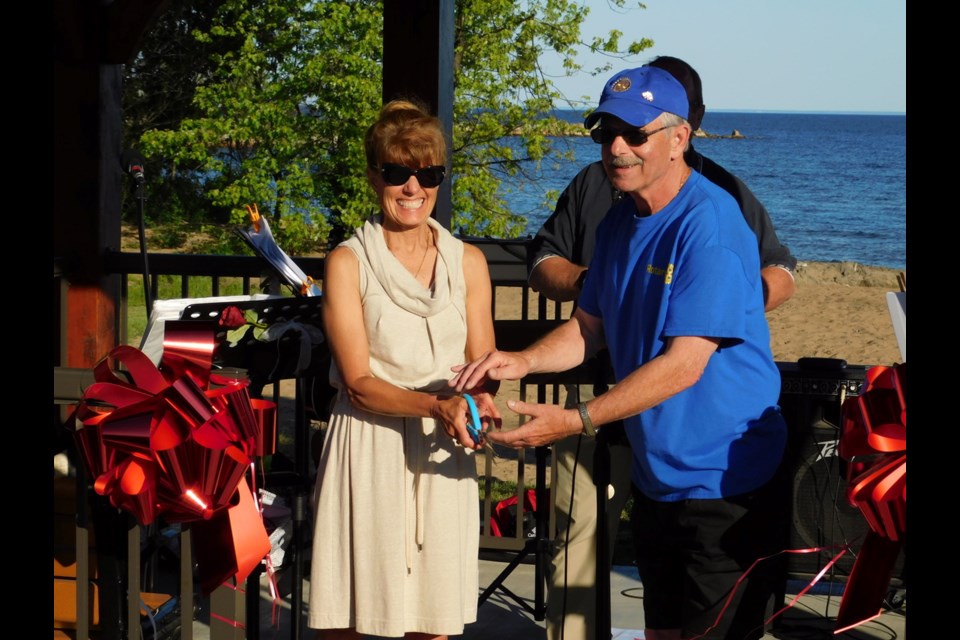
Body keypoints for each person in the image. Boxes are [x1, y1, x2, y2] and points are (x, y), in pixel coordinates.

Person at [452, 66, 790, 640]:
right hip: (659, 479)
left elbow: (685, 364)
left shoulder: (709, 222)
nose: (616, 148)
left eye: (635, 134)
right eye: (606, 131)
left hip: (726, 483)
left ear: (679, 138)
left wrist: (575, 420)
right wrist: (523, 360)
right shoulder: (617, 222)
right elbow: (589, 328)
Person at [308, 99, 500, 640]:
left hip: (445, 452)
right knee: (357, 620)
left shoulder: (469, 262)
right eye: (397, 172)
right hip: (369, 449)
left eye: (428, 173)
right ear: (374, 177)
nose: (413, 187)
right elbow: (359, 384)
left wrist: (481, 397)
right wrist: (437, 405)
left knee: (434, 622)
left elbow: (482, 363)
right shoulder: (349, 262)